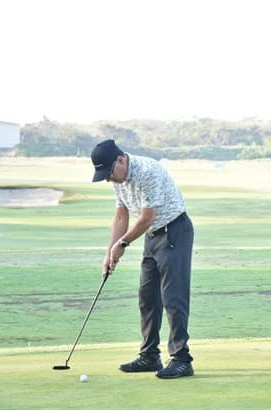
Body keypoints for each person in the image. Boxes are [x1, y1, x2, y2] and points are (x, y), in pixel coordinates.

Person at [90, 139, 194, 378]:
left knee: (173, 298)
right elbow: (120, 217)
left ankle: (181, 359)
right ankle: (150, 356)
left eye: (109, 173)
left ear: (121, 160)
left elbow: (147, 217)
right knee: (147, 298)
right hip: (152, 236)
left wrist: (123, 244)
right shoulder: (119, 179)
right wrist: (110, 252)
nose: (109, 178)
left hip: (174, 232)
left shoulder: (148, 171)